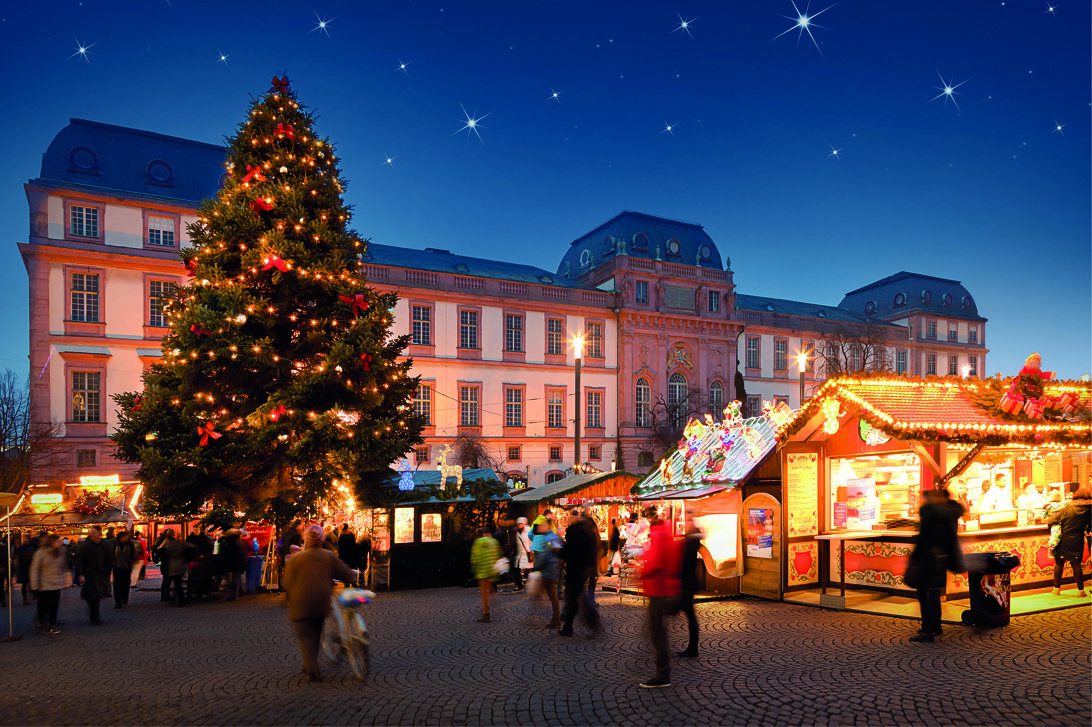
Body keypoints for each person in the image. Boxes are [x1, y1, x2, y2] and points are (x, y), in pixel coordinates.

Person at [282, 524, 357, 682]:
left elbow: (287, 582)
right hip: (321, 602)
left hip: (301, 603)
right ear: (322, 539)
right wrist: (353, 577)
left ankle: (312, 671)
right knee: (315, 633)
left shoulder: (296, 559)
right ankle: (309, 664)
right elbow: (345, 573)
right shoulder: (328, 556)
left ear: (306, 539)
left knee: (306, 636)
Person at [908, 488, 965, 642]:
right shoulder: (946, 513)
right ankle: (936, 625)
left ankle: (927, 630)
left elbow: (923, 540)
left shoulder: (928, 515)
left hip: (926, 561)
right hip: (940, 559)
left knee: (924, 595)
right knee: (933, 594)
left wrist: (914, 557)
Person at [640, 507, 680, 688]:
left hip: (658, 589)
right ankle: (663, 671)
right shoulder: (664, 532)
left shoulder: (658, 534)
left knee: (657, 633)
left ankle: (663, 674)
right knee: (657, 632)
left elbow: (656, 562)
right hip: (662, 588)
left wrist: (642, 572)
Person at [558, 510, 602, 638]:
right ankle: (568, 627)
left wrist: (560, 552)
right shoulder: (588, 531)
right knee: (575, 598)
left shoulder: (576, 532)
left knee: (578, 599)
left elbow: (571, 550)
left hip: (576, 569)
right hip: (581, 568)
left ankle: (593, 624)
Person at [1047, 489, 1091, 597]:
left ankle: (1056, 589)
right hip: (1078, 539)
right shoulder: (1089, 511)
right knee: (1076, 564)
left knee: (1059, 563)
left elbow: (1051, 520)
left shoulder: (1067, 509)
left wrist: (1052, 529)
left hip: (1064, 539)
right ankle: (1081, 590)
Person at [677, 517, 704, 658]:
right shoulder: (693, 542)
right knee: (690, 615)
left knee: (688, 615)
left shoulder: (689, 543)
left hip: (686, 583)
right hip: (690, 582)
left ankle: (693, 648)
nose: (685, 525)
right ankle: (692, 648)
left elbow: (684, 564)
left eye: (687, 523)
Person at [30, 534, 67, 634]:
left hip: (56, 584)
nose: (60, 543)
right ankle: (42, 622)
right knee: (44, 606)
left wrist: (62, 581)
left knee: (54, 606)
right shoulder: (41, 553)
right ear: (52, 542)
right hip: (44, 585)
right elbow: (34, 569)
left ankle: (52, 625)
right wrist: (34, 585)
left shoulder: (61, 552)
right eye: (57, 541)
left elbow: (62, 567)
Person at [531, 513, 562, 629]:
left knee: (551, 595)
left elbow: (545, 555)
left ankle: (556, 618)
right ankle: (556, 617)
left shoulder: (548, 537)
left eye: (542, 525)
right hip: (551, 570)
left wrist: (537, 566)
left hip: (548, 571)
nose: (540, 527)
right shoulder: (552, 536)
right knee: (550, 594)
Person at [77, 526, 113, 625]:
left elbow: (110, 558)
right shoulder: (85, 546)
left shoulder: (106, 544)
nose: (92, 534)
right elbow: (80, 560)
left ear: (99, 533)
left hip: (101, 573)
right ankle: (94, 616)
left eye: (94, 532)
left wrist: (107, 570)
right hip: (89, 574)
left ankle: (95, 614)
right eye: (91, 532)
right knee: (92, 596)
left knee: (97, 596)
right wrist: (81, 574)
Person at [470, 526, 502, 622]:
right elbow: (499, 555)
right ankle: (494, 601)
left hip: (483, 573)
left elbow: (474, 558)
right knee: (489, 590)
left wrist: (474, 570)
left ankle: (486, 614)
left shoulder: (478, 543)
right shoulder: (494, 542)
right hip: (492, 571)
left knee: (484, 593)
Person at [159, 529, 197, 607]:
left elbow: (162, 553)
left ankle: (180, 599)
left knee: (177, 584)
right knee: (178, 583)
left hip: (174, 567)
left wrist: (162, 546)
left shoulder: (170, 546)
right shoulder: (179, 543)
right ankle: (179, 598)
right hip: (181, 565)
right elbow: (191, 546)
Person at [111, 529, 137, 609]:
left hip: (126, 567)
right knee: (117, 585)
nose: (127, 538)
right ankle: (118, 602)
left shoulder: (130, 544)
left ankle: (124, 598)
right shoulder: (114, 544)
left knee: (126, 584)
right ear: (120, 537)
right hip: (117, 568)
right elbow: (111, 555)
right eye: (125, 537)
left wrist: (131, 562)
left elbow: (134, 554)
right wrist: (113, 563)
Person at [219, 529, 247, 601]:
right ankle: (240, 592)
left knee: (235, 578)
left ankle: (234, 595)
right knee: (237, 578)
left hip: (234, 562)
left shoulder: (230, 542)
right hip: (239, 562)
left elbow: (226, 553)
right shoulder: (240, 541)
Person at [17, 534, 39, 606]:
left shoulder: (32, 547)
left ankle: (33, 595)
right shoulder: (22, 547)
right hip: (25, 567)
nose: (26, 540)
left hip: (28, 567)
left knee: (31, 582)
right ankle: (25, 597)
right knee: (25, 583)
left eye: (27, 538)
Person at [512, 517, 533, 589]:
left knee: (528, 569)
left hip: (527, 553)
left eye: (521, 523)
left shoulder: (528, 531)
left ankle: (530, 584)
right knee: (520, 569)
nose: (520, 525)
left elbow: (531, 542)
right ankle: (520, 584)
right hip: (520, 554)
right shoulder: (517, 532)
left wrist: (531, 551)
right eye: (519, 524)